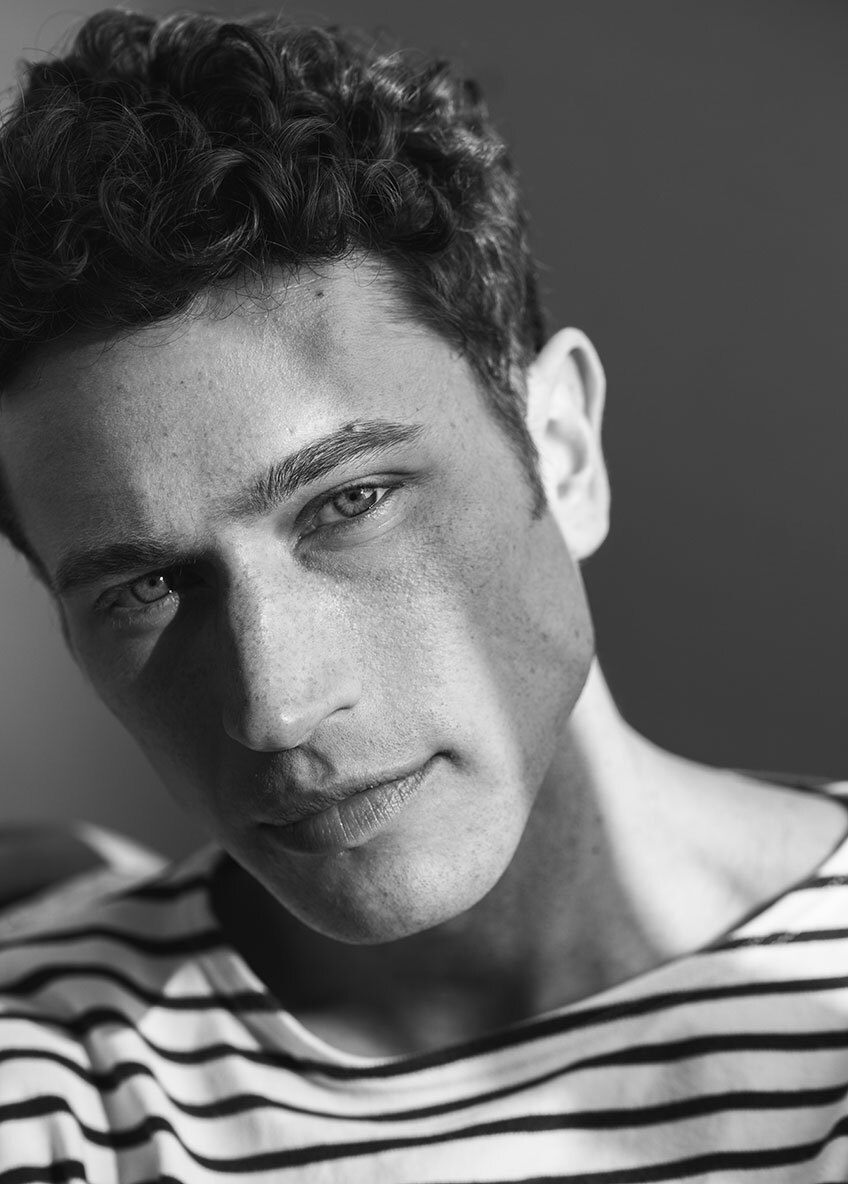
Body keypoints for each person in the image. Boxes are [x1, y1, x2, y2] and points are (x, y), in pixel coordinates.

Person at [0, 8, 846, 1180]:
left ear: (562, 449)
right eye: (147, 585)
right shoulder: (47, 1072)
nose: (274, 708)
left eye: (349, 502)